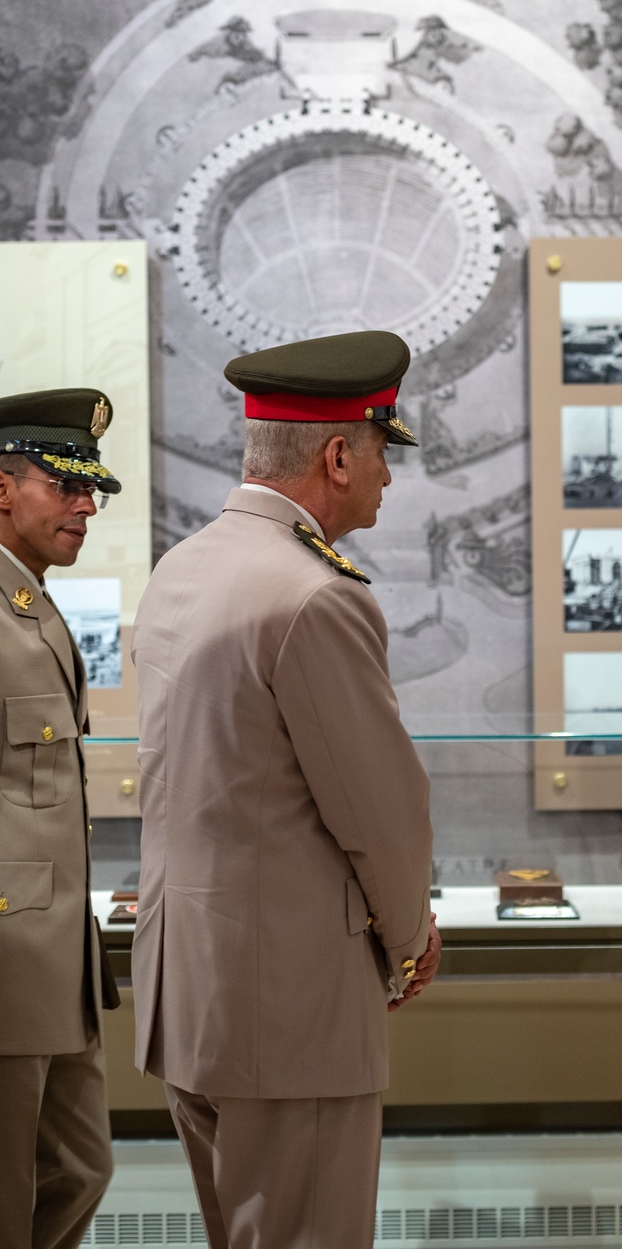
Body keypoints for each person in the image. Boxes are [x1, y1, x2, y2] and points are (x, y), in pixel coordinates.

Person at [131, 330, 439, 1249]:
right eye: (384, 449)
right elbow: (379, 813)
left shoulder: (185, 567)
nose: (388, 474)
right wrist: (409, 938)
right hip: (292, 1005)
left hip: (194, 992)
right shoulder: (314, 593)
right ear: (338, 455)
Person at [0, 388, 123, 1249]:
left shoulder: (31, 604)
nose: (87, 505)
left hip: (54, 963)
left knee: (79, 1170)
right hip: (5, 958)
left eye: (92, 489)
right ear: (2, 488)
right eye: (66, 484)